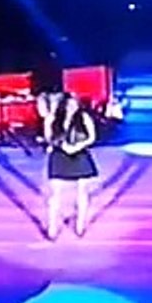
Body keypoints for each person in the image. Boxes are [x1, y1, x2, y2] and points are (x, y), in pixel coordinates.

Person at [43, 93, 99, 240]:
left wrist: (78, 146)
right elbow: (48, 138)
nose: (72, 107)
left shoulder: (84, 117)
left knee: (82, 191)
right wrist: (61, 144)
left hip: (79, 154)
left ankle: (80, 224)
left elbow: (92, 137)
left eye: (75, 104)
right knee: (55, 193)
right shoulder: (54, 118)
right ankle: (52, 227)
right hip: (59, 155)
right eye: (69, 104)